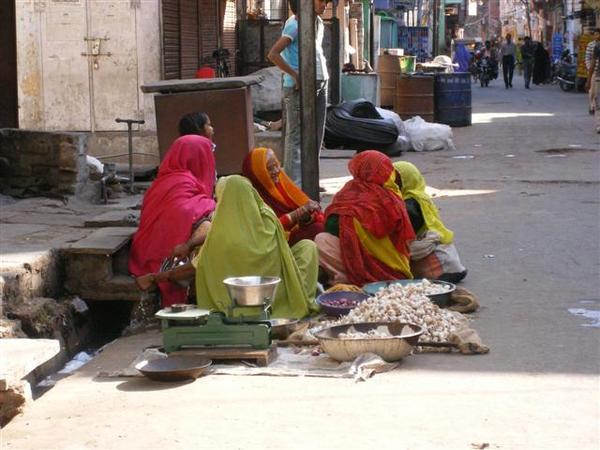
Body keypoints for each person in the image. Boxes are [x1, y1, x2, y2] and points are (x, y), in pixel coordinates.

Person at [137, 176, 320, 319]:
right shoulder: (268, 220)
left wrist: (155, 277)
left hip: (235, 302)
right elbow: (285, 254)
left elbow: (193, 268)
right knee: (307, 247)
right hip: (274, 296)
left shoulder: (220, 235)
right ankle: (297, 297)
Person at [129, 135, 216, 307]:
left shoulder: (163, 181)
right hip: (169, 256)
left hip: (143, 252)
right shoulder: (184, 183)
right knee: (212, 221)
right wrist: (213, 204)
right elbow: (187, 212)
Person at [314, 151, 416, 286]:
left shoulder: (348, 193)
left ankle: (348, 278)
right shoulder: (394, 198)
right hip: (397, 270)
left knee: (322, 240)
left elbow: (331, 226)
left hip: (359, 266)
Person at [267, 0, 330, 186]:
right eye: (321, 1)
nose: (324, 5)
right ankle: (293, 183)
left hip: (319, 82)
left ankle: (310, 179)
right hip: (298, 88)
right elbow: (273, 54)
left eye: (326, 2)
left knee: (316, 133)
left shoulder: (317, 23)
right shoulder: (295, 24)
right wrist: (295, 75)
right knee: (295, 136)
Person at [393, 161, 467, 283]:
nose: (391, 183)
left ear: (407, 181)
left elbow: (407, 231)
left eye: (396, 180)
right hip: (444, 249)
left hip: (428, 246)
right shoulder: (420, 196)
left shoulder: (409, 204)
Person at [242, 147, 324, 245]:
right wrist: (298, 213)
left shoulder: (281, 184)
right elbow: (267, 230)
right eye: (269, 168)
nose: (276, 171)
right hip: (274, 243)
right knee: (317, 231)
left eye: (277, 165)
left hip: (292, 233)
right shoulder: (252, 198)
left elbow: (307, 211)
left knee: (319, 227)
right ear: (258, 174)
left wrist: (306, 217)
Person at [585, 37, 600, 134]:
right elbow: (593, 62)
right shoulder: (597, 46)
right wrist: (589, 79)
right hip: (598, 76)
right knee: (597, 100)